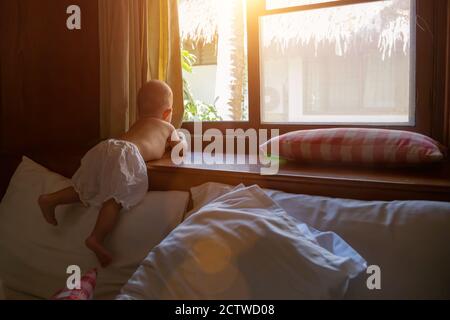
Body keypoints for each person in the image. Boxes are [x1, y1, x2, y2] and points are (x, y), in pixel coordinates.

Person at [38, 80, 184, 267]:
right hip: (127, 153)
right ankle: (96, 238)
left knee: (86, 187)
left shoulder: (138, 124)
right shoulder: (168, 127)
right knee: (115, 198)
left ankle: (50, 199)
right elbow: (179, 150)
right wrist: (183, 140)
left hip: (107, 146)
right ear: (167, 113)